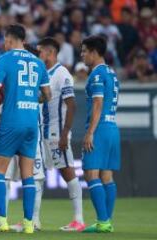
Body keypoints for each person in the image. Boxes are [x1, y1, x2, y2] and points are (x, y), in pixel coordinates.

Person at [0, 24, 51, 234]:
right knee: (28, 175)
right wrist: (32, 99)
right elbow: (47, 95)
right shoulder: (38, 62)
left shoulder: (5, 59)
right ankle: (28, 224)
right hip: (31, 123)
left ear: (9, 40)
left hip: (11, 120)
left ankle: (3, 222)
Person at [37, 37, 85, 231]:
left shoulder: (61, 72)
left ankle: (79, 219)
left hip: (57, 133)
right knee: (37, 175)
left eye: (40, 51)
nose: (38, 54)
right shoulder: (43, 72)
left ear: (50, 52)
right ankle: (33, 219)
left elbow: (72, 105)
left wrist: (65, 134)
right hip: (42, 133)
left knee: (68, 174)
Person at [81, 35, 120, 233]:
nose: (82, 55)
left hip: (100, 129)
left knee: (90, 173)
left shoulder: (96, 75)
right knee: (107, 175)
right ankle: (106, 221)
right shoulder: (112, 74)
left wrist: (90, 133)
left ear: (94, 53)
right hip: (112, 127)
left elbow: (98, 103)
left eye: (84, 51)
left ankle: (103, 221)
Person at [5, 44, 46, 233]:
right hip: (29, 128)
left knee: (8, 175)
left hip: (14, 126)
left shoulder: (13, 67)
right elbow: (46, 96)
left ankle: (31, 219)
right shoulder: (38, 69)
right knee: (31, 176)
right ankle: (30, 220)